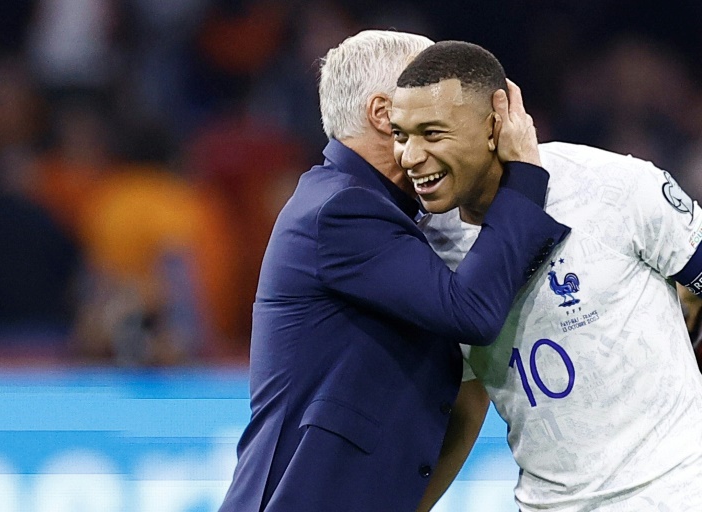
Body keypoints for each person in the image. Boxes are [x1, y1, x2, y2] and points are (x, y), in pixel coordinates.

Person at [218, 30, 569, 512]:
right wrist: (524, 174)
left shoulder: (386, 212)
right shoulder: (341, 210)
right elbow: (472, 312)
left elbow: (463, 396)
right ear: (384, 113)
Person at [389, 40, 702, 511]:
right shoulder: (423, 250)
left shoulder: (613, 186)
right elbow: (466, 403)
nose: (410, 156)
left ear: (495, 125)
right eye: (401, 135)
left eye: (432, 134)